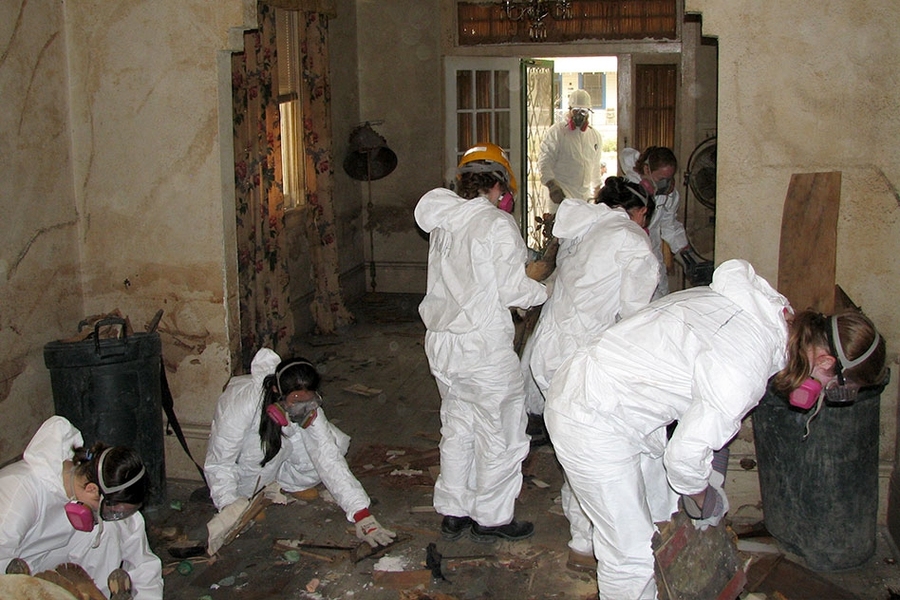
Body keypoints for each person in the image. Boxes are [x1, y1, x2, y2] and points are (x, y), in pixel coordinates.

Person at [543, 259, 886, 599]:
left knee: (660, 517)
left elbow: (713, 420)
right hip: (590, 416)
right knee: (630, 552)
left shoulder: (771, 315)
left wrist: (709, 483)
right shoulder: (745, 366)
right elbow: (684, 457)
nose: (822, 391)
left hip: (622, 402)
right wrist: (704, 500)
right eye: (830, 385)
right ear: (826, 363)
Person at [520, 176, 659, 571]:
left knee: (574, 444)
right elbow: (634, 314)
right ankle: (585, 541)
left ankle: (584, 534)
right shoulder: (630, 240)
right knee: (598, 448)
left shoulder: (582, 228)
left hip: (548, 353)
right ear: (638, 211)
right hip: (582, 358)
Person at [415, 142, 548, 542]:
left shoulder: (444, 222)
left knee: (458, 426)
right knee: (502, 433)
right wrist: (546, 291)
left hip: (442, 345)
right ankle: (491, 516)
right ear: (500, 186)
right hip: (482, 348)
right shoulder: (496, 224)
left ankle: (454, 510)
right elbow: (513, 291)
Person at [204, 349, 395, 552]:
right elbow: (220, 461)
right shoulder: (243, 403)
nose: (303, 407)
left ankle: (289, 484)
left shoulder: (307, 406)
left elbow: (328, 456)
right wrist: (230, 505)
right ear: (278, 392)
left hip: (280, 454)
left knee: (335, 443)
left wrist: (361, 514)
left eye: (308, 399)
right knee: (260, 451)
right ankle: (249, 497)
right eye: (296, 400)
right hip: (251, 463)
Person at [0, 416, 163, 599]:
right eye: (113, 511)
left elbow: (143, 566)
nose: (115, 516)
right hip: (11, 576)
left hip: (50, 568)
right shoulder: (20, 490)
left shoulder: (99, 494)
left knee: (107, 529)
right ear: (92, 489)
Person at [621, 146, 712, 299]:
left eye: (668, 179)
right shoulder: (627, 189)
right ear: (646, 169)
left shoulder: (668, 196)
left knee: (658, 302)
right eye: (661, 179)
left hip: (653, 256)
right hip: (628, 258)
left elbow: (669, 225)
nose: (666, 184)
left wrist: (686, 254)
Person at [539, 89, 604, 206]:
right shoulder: (557, 132)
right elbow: (545, 162)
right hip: (561, 195)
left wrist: (597, 190)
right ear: (569, 110)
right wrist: (552, 186)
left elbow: (595, 166)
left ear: (589, 112)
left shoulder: (594, 136)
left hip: (585, 198)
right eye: (576, 110)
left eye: (583, 111)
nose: (579, 115)